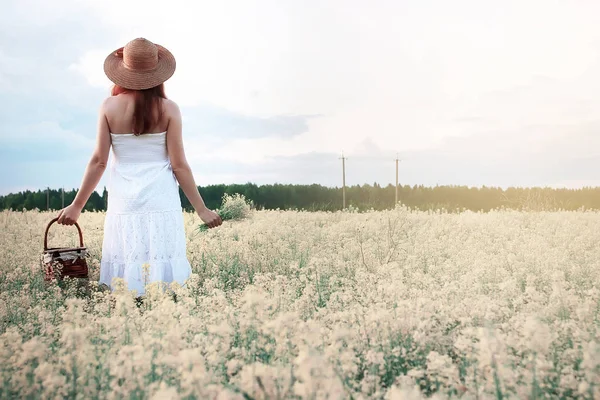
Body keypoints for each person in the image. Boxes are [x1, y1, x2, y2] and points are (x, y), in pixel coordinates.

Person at [56, 37, 222, 298]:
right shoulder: (169, 109)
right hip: (160, 198)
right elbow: (179, 166)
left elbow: (99, 161)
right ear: (158, 74)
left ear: (123, 71)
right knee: (161, 263)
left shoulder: (109, 107)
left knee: (129, 258)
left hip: (125, 199)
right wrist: (201, 209)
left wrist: (77, 206)